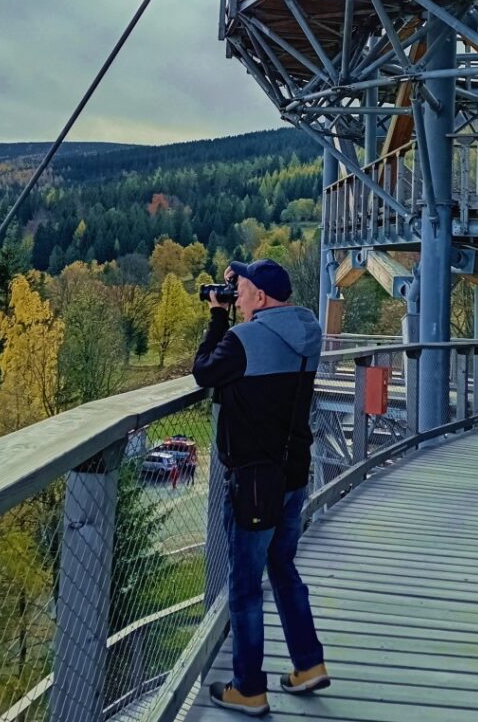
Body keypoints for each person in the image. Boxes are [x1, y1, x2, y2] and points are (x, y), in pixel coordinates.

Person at [193, 258, 329, 717]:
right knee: (284, 569)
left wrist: (217, 315)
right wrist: (238, 300)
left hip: (252, 481)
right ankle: (308, 664)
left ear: (262, 298)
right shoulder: (308, 332)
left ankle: (248, 687)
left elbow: (204, 371)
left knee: (246, 586)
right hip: (292, 474)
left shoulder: (243, 339)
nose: (235, 294)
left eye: (242, 287)